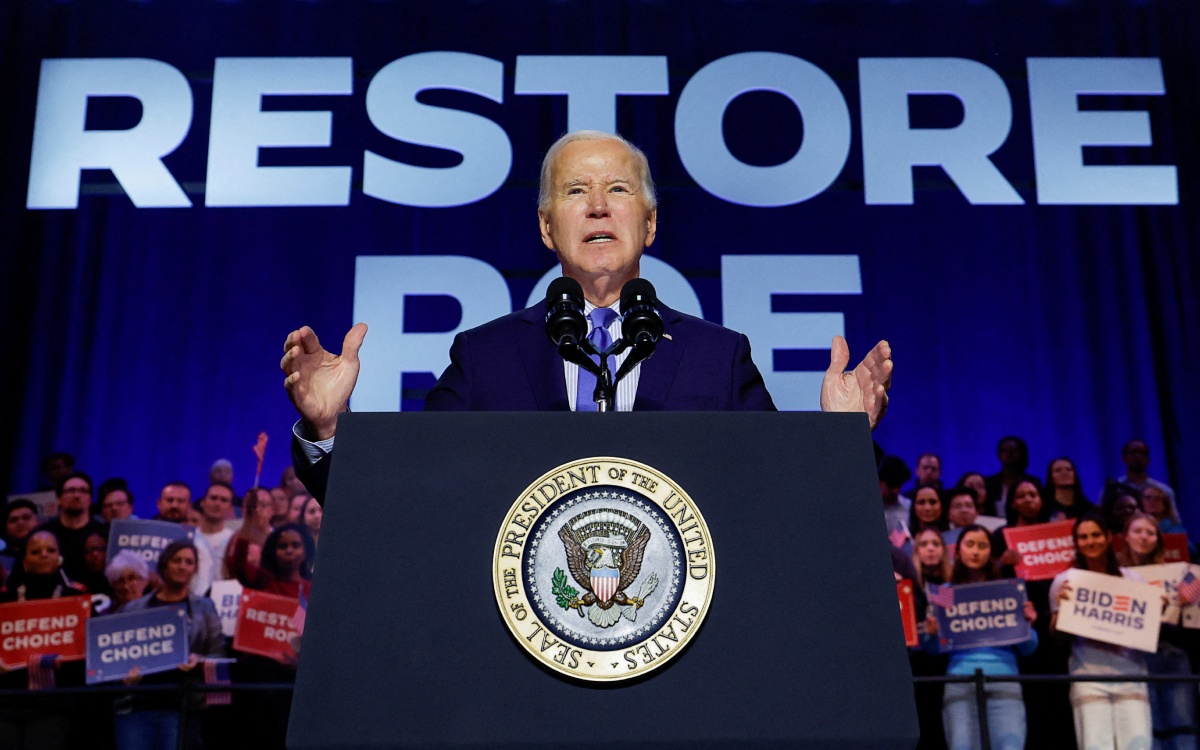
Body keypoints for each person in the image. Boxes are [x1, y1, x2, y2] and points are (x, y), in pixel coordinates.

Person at [281, 130, 893, 502]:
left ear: (650, 224)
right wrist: (329, 431)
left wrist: (842, 440)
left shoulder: (718, 354)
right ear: (548, 228)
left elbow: (780, 500)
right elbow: (408, 500)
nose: (598, 206)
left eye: (619, 190)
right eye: (576, 191)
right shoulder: (484, 355)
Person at [924, 525, 1038, 750]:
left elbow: (1029, 648)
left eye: (982, 546)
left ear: (991, 554)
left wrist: (1028, 625)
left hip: (1004, 680)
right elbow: (934, 650)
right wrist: (931, 635)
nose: (975, 552)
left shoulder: (1008, 589)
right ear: (958, 551)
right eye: (970, 545)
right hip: (960, 682)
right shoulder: (945, 592)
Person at [1049, 515, 1152, 750]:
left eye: (1095, 535)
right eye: (1083, 537)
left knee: (1139, 745)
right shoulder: (1064, 581)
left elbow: (1147, 630)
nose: (1090, 541)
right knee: (1096, 746)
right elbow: (1056, 638)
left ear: (1107, 537)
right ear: (1076, 543)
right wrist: (1063, 610)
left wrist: (1159, 609)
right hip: (1088, 677)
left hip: (1131, 675)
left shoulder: (1132, 579)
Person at [116, 540, 224, 750]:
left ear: (194, 569)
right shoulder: (132, 608)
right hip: (136, 706)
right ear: (164, 564)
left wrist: (199, 661)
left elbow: (218, 655)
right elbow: (116, 655)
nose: (183, 566)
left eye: (189, 562)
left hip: (182, 705)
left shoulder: (205, 608)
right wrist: (124, 675)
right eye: (176, 560)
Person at [1115, 512, 1197, 750]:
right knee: (1147, 727)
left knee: (1183, 725)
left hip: (1172, 654)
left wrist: (1183, 603)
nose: (1144, 537)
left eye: (1150, 533)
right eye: (1138, 531)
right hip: (1135, 658)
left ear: (1158, 541)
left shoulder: (1177, 576)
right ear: (1125, 537)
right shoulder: (1115, 576)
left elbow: (1190, 627)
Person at [35, 470, 108, 583]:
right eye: (71, 490)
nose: (77, 495)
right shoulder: (41, 536)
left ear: (90, 499)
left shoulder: (106, 534)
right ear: (59, 499)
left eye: (83, 491)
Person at [152, 482, 216, 596]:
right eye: (169, 500)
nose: (174, 505)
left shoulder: (199, 542)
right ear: (159, 503)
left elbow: (202, 584)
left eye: (180, 501)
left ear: (189, 506)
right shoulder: (143, 534)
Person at [983, 436, 1040, 520]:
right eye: (1004, 450)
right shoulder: (989, 483)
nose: (1008, 454)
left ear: (1021, 453)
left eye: (1013, 450)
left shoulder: (1033, 482)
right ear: (999, 455)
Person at [1117, 439, 1177, 512]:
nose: (1137, 456)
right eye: (1132, 453)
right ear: (1124, 458)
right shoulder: (1114, 490)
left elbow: (1173, 521)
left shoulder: (1164, 491)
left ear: (1148, 459)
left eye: (1141, 453)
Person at [195, 481, 236, 580]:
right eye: (213, 498)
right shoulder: (189, 537)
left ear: (230, 509)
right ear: (202, 503)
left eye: (224, 500)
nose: (217, 504)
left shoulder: (235, 540)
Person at [1042, 457, 1095, 521]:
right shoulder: (1044, 508)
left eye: (1069, 469)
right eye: (1058, 470)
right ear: (1051, 477)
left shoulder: (1089, 509)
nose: (1064, 473)